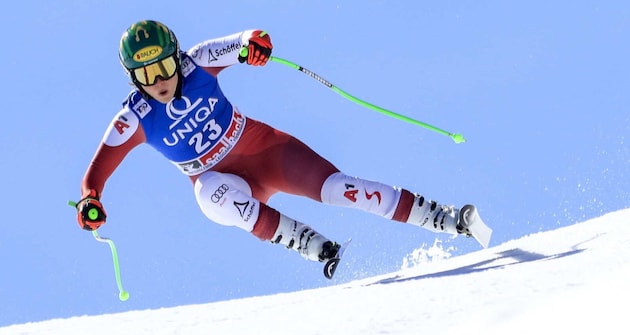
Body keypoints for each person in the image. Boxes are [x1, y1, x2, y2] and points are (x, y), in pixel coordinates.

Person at [75, 20, 489, 278]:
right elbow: (96, 173)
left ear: (175, 57)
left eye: (164, 66)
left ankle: (446, 218)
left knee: (343, 189)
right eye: (146, 74)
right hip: (221, 181)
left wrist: (256, 45)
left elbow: (244, 39)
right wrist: (89, 202)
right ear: (132, 78)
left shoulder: (196, 62)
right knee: (209, 194)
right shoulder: (134, 116)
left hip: (264, 151)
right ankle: (310, 244)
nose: (159, 80)